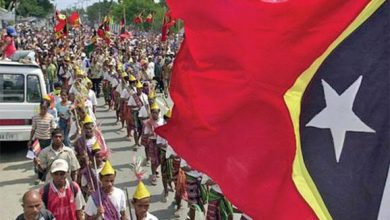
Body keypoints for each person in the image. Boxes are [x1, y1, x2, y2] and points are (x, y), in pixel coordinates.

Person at [143, 102, 164, 186]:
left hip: (162, 143)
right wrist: (152, 133)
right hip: (153, 142)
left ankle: (156, 169)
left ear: (159, 112)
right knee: (153, 160)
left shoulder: (162, 121)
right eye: (153, 112)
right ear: (151, 113)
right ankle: (153, 175)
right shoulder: (148, 122)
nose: (154, 114)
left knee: (160, 160)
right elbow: (145, 134)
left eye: (156, 112)